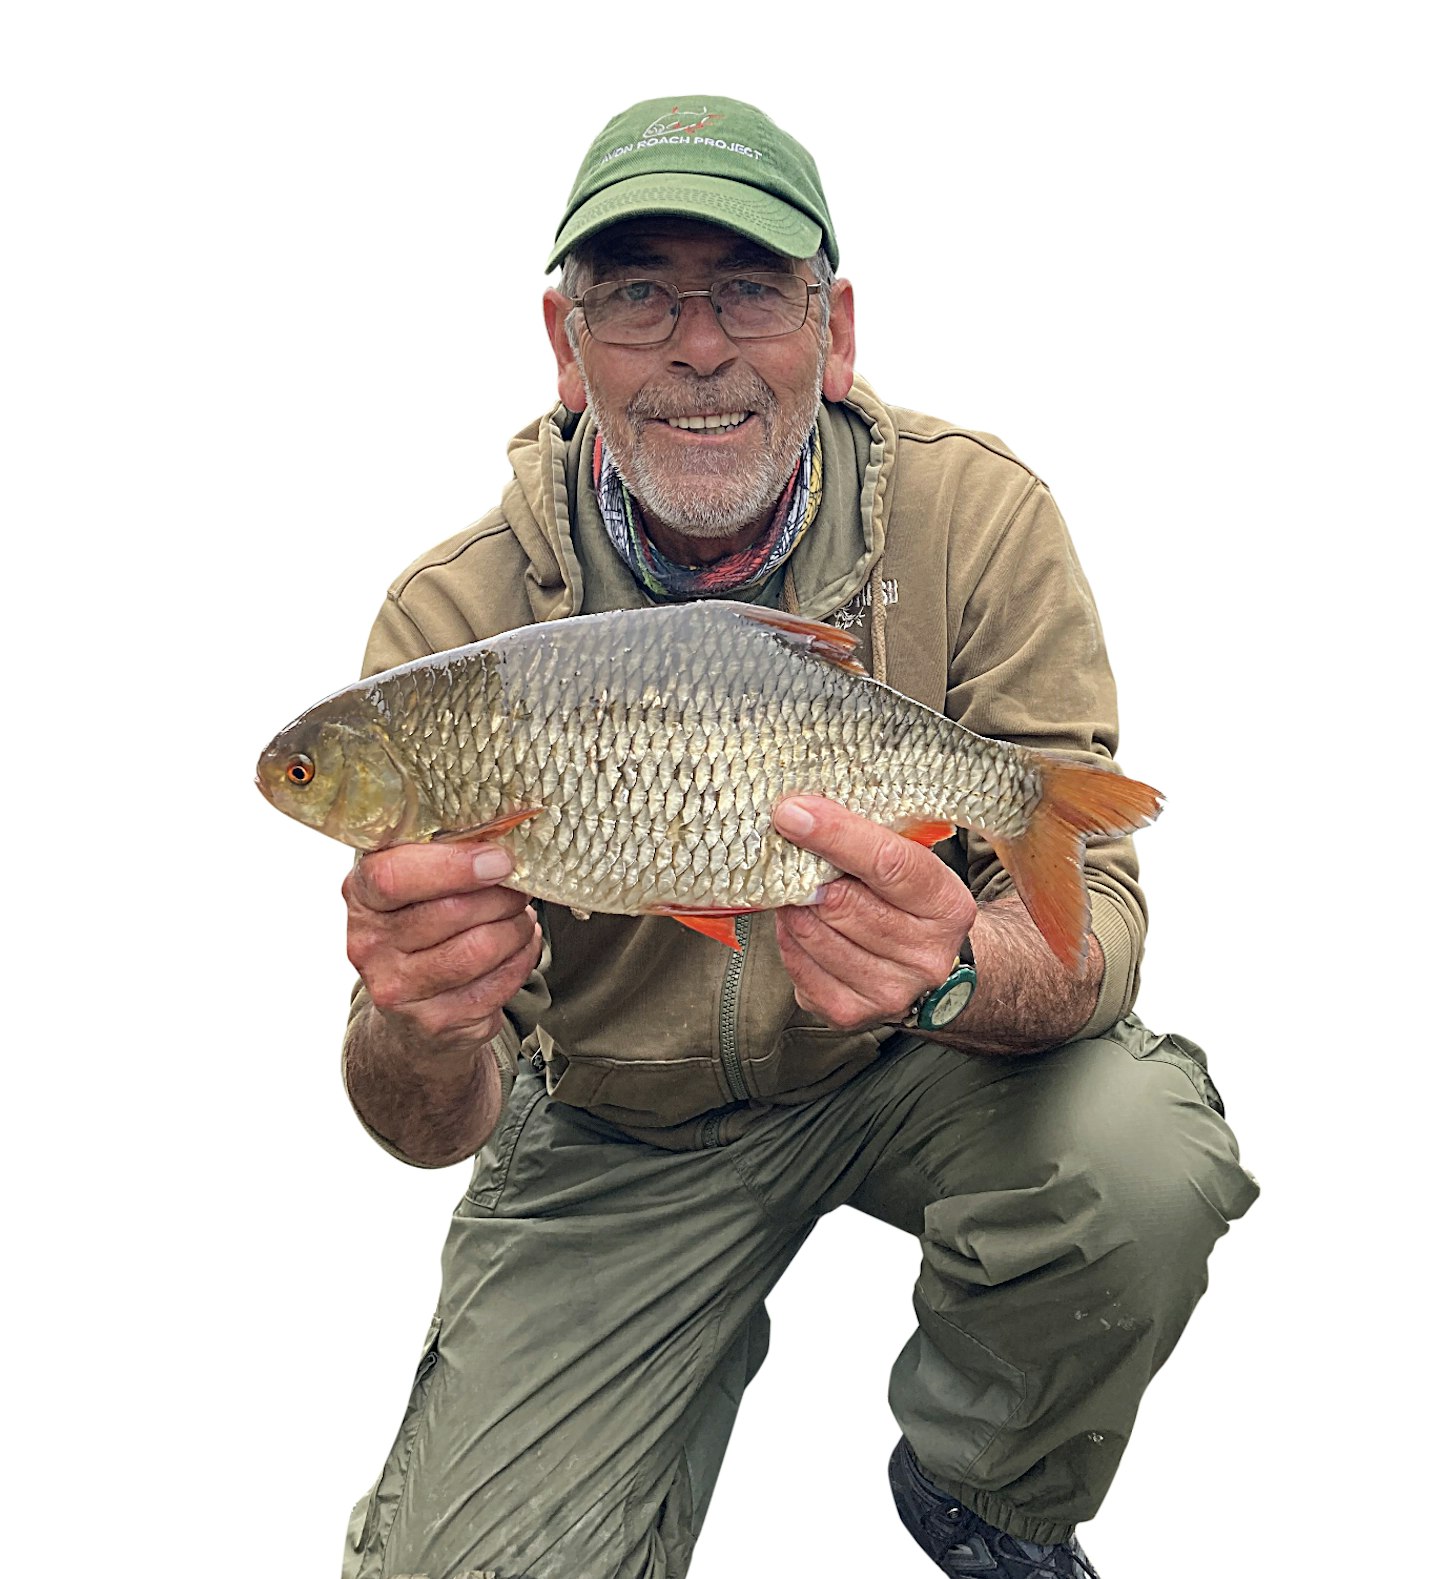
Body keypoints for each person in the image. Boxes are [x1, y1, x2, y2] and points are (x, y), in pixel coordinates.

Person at [337, 96, 1258, 1579]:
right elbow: (424, 1123)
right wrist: (418, 1015)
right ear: (568, 353)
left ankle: (987, 1485)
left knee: (1137, 1155)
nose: (698, 345)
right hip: (610, 1131)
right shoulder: (451, 629)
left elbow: (1100, 938)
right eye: (638, 295)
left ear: (833, 329)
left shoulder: (982, 516)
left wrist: (954, 968)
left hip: (913, 1068)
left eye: (750, 290)